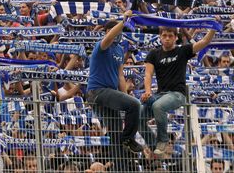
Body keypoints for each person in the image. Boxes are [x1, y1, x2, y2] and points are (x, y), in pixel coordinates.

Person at [140, 26, 216, 156]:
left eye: (170, 36)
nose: (167, 38)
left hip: (177, 94)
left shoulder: (182, 50)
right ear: (160, 37)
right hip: (159, 94)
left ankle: (163, 140)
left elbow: (204, 42)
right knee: (138, 117)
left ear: (176, 37)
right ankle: (154, 146)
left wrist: (213, 28)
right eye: (164, 36)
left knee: (158, 106)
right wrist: (147, 91)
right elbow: (148, 74)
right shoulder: (153, 54)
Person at [85, 10, 143, 155]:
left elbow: (120, 76)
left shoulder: (119, 49)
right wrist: (124, 21)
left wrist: (125, 97)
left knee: (116, 132)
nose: (116, 33)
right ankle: (129, 139)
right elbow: (110, 36)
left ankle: (119, 165)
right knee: (135, 104)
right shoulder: (102, 45)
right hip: (97, 92)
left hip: (110, 94)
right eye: (113, 30)